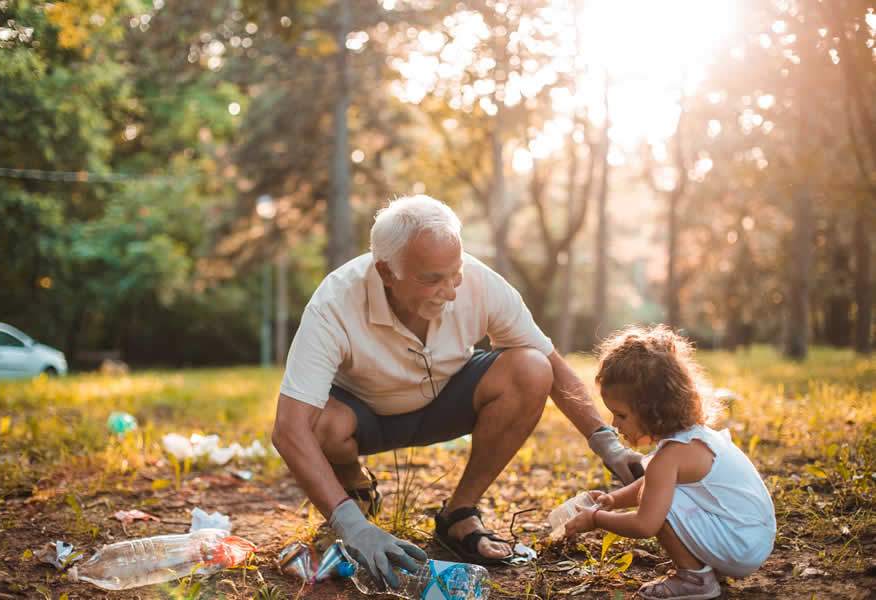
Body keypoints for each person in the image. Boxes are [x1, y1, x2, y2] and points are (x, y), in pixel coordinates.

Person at [271, 195, 643, 587]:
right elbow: (289, 429)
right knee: (318, 424)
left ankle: (459, 513)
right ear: (386, 272)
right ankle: (355, 488)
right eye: (431, 279)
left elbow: (553, 365)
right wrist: (352, 526)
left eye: (456, 273)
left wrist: (609, 445)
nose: (450, 291)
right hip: (364, 417)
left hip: (445, 402)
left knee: (532, 368)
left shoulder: (480, 283)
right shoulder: (335, 302)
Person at [564, 326, 776, 600]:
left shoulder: (668, 459)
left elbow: (645, 525)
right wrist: (613, 500)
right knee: (659, 494)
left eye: (621, 415)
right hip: (751, 537)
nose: (615, 424)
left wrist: (596, 519)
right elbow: (650, 484)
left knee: (658, 506)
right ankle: (703, 565)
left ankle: (695, 580)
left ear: (652, 411)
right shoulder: (694, 438)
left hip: (739, 546)